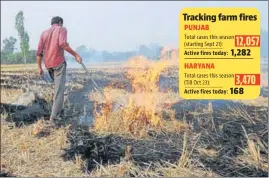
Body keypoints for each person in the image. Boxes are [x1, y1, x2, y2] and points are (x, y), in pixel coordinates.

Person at [36, 16, 82, 128]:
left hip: (48, 65)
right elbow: (62, 44)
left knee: (57, 89)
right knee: (59, 92)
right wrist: (76, 54)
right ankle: (54, 119)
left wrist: (39, 67)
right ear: (60, 23)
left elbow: (39, 52)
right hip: (58, 64)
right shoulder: (62, 29)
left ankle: (57, 111)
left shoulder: (44, 33)